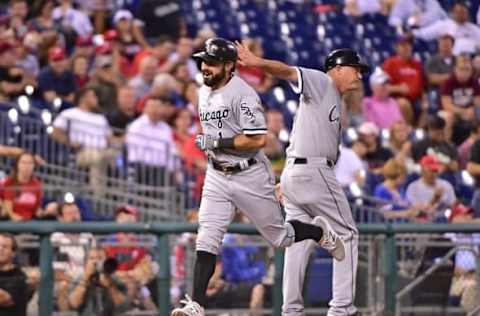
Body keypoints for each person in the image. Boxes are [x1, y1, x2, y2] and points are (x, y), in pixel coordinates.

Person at [171, 38, 345, 316]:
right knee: (206, 238)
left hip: (249, 173)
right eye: (204, 61)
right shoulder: (204, 92)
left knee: (280, 237)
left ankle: (318, 231)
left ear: (229, 66)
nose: (205, 67)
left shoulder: (244, 94)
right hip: (217, 174)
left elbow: (257, 139)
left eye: (212, 63)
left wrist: (216, 143)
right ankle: (196, 305)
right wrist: (215, 149)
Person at [236, 43, 368, 315]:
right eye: (356, 69)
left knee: (298, 242)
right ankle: (342, 309)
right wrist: (255, 61)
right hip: (313, 171)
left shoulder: (332, 98)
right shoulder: (322, 81)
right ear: (339, 69)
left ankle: (291, 310)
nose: (360, 75)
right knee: (347, 233)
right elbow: (287, 71)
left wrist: (288, 179)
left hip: (296, 171)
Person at [0, 233, 28, 316]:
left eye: (5, 247)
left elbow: (3, 299)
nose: (0, 249)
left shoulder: (19, 276)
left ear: (13, 253)